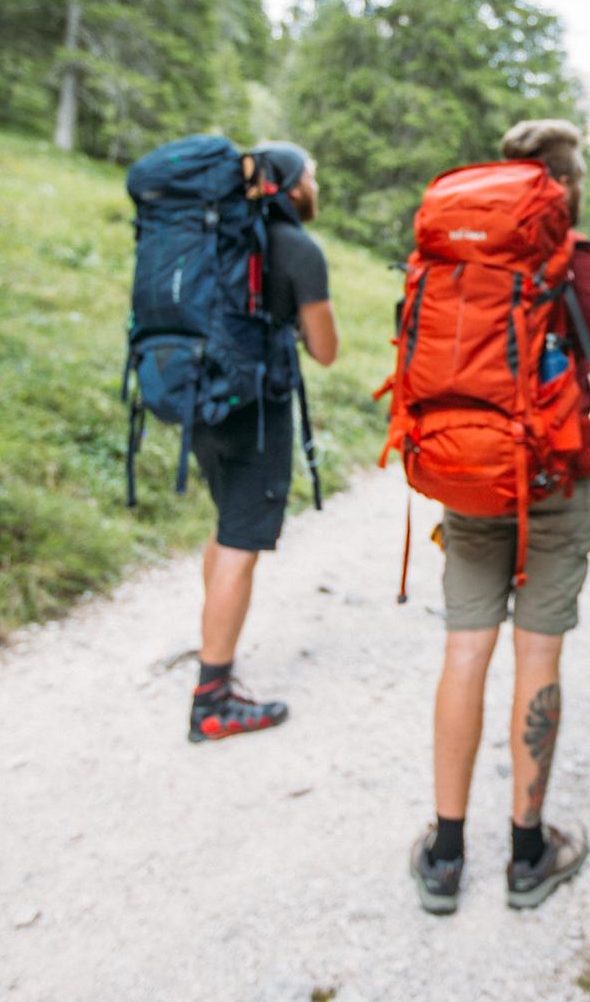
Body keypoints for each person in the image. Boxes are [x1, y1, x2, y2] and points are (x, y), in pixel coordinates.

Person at [410, 120, 590, 913]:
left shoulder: (453, 261)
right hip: (554, 483)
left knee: (464, 651)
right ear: (569, 185)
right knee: (537, 657)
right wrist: (568, 384)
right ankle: (526, 853)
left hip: (468, 474)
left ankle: (445, 856)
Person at [187, 144, 338, 743]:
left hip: (200, 401)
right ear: (293, 185)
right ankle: (212, 699)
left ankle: (214, 648)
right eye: (312, 174)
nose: (316, 183)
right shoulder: (298, 248)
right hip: (256, 412)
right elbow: (326, 350)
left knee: (227, 524)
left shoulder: (213, 233)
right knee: (241, 541)